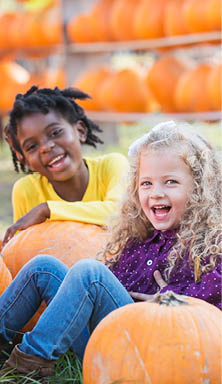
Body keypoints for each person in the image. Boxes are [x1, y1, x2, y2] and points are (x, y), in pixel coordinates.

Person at [0, 120, 221, 381]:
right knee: (43, 268)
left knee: (90, 273)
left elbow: (212, 306)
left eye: (170, 182)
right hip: (107, 338)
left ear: (199, 187)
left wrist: (169, 301)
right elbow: (107, 292)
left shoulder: (211, 243)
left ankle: (27, 366)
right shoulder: (140, 239)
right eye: (146, 183)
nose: (156, 193)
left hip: (145, 354)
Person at [2, 85, 129, 246]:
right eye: (32, 147)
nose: (46, 147)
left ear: (80, 131)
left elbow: (118, 215)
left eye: (55, 133)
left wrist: (48, 210)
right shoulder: (26, 190)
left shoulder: (112, 165)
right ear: (26, 161)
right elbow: (23, 249)